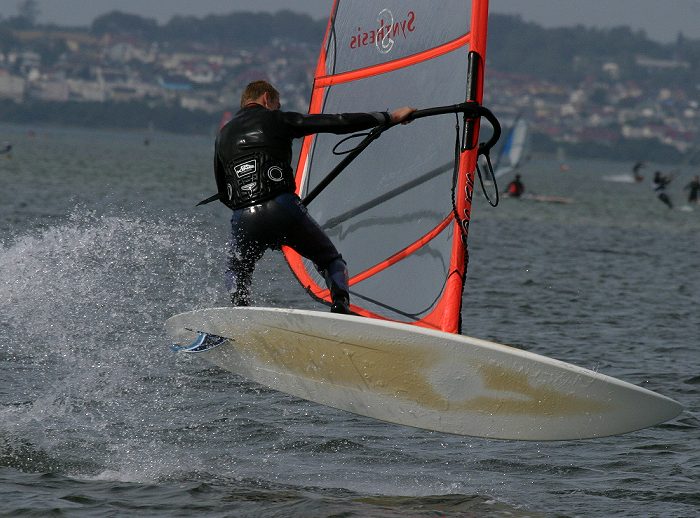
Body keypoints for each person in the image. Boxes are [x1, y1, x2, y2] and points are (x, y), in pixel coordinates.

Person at [213, 80, 415, 314]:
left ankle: (238, 314)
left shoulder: (223, 134)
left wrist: (257, 221)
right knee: (331, 262)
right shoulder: (277, 119)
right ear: (267, 99)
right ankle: (340, 307)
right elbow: (337, 122)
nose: (278, 109)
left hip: (244, 217)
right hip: (282, 207)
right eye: (277, 105)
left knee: (237, 271)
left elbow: (224, 193)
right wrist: (388, 117)